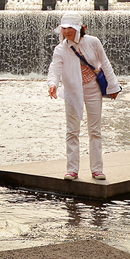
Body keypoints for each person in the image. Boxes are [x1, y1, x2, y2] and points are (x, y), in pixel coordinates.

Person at [47, 12, 121, 182]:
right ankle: (72, 170)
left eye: (70, 28)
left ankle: (97, 169)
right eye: (64, 28)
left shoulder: (93, 42)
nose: (66, 32)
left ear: (79, 28)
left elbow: (105, 63)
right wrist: (53, 84)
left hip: (93, 90)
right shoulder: (60, 49)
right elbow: (55, 69)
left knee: (95, 131)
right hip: (72, 92)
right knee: (72, 131)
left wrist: (113, 86)